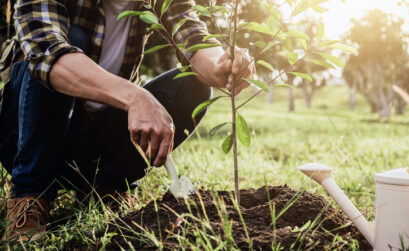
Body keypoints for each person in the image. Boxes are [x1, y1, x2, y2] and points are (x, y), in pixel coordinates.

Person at [0, 0, 255, 242]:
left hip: (93, 142)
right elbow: (48, 54)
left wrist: (221, 65)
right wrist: (134, 97)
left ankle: (110, 186)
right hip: (27, 134)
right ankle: (28, 200)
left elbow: (192, 35)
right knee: (72, 37)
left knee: (193, 87)